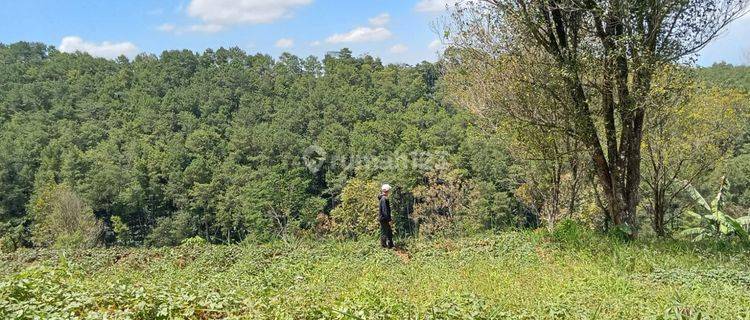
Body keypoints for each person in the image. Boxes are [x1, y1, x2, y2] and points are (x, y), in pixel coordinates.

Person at [378, 184, 394, 248]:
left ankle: (390, 245)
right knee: (385, 233)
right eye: (389, 190)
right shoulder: (384, 199)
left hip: (383, 218)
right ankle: (384, 247)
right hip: (384, 219)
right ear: (387, 191)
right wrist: (389, 220)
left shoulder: (382, 198)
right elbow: (385, 211)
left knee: (388, 232)